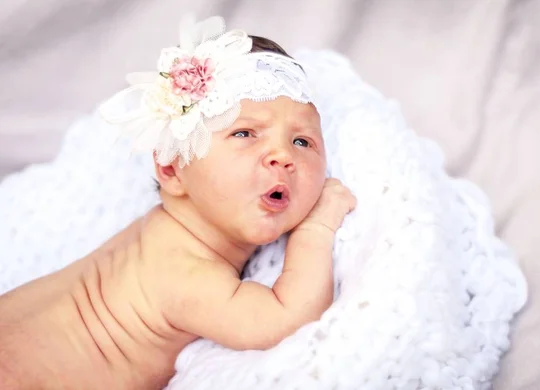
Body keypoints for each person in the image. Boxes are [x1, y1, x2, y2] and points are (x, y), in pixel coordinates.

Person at [0, 15, 356, 389]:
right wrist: (316, 228)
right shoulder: (186, 273)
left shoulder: (154, 233)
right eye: (245, 133)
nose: (282, 155)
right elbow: (288, 318)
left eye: (302, 141)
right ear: (171, 169)